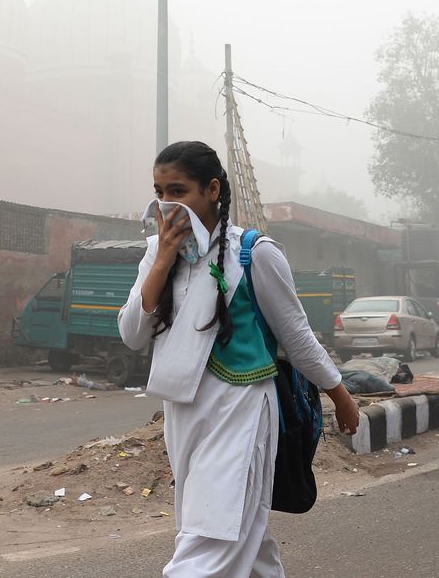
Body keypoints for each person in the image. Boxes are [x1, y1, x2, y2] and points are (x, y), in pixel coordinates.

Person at [118, 141, 361, 577]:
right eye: (160, 192)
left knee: (214, 536)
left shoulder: (256, 252)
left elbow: (297, 335)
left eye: (179, 191)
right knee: (236, 532)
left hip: (243, 406)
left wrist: (339, 394)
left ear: (212, 190)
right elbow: (132, 333)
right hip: (182, 409)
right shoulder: (158, 253)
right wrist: (161, 262)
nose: (167, 204)